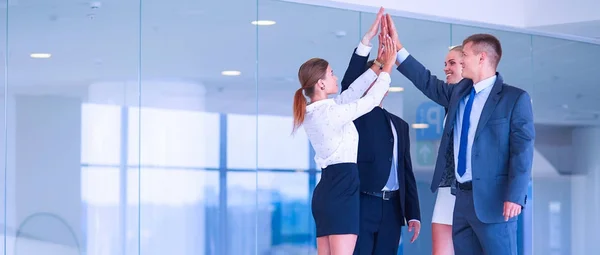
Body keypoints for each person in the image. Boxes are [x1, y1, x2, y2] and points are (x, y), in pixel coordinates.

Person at [385, 14, 535, 255]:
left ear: (482, 57)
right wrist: (399, 49)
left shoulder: (514, 99)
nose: (460, 60)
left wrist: (515, 196)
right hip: (461, 200)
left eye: (464, 55)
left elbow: (522, 152)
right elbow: (425, 81)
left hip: (494, 202)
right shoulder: (459, 93)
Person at [292, 32, 397, 255]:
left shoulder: (317, 112)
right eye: (331, 74)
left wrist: (377, 63)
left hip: (328, 191)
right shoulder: (330, 112)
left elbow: (352, 93)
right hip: (343, 188)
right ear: (321, 83)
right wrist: (387, 69)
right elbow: (369, 100)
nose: (335, 78)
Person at [338, 9, 421, 255]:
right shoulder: (356, 114)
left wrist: (413, 213)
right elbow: (349, 84)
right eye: (374, 78)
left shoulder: (400, 125)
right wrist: (369, 43)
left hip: (393, 209)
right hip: (364, 203)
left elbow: (406, 172)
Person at [431, 44, 464, 255]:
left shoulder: (481, 100)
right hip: (446, 186)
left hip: (470, 191)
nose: (446, 68)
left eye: (452, 63)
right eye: (445, 64)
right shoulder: (450, 102)